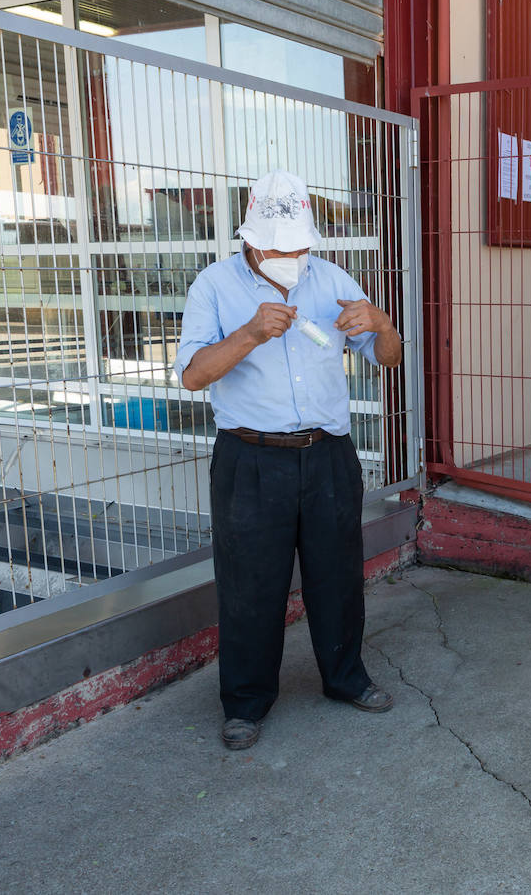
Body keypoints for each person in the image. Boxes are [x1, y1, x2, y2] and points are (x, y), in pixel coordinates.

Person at [175, 169, 404, 750]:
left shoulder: (330, 280)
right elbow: (193, 376)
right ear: (251, 241)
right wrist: (249, 335)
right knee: (250, 584)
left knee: (337, 576)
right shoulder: (214, 286)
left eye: (300, 247)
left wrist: (381, 322)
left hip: (327, 456)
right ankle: (246, 703)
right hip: (250, 460)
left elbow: (390, 358)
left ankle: (346, 678)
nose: (291, 258)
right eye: (279, 249)